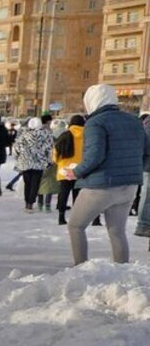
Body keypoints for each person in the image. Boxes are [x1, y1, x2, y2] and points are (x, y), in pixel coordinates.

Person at [64, 84, 150, 265]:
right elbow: (146, 152)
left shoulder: (96, 122)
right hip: (129, 187)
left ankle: (80, 268)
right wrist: (132, 170)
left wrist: (75, 172)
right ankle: (122, 270)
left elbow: (95, 155)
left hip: (101, 186)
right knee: (117, 231)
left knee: (76, 226)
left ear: (91, 100)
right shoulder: (134, 121)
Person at [12, 116, 55, 212]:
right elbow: (50, 149)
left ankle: (27, 202)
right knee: (35, 183)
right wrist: (48, 161)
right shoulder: (46, 135)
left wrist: (17, 158)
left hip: (25, 162)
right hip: (39, 163)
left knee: (27, 183)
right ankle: (31, 203)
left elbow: (16, 148)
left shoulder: (24, 135)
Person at [54, 114, 87, 226]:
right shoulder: (87, 135)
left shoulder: (65, 135)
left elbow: (55, 151)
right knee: (77, 194)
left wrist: (57, 161)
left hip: (65, 169)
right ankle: (76, 217)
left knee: (64, 192)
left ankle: (61, 216)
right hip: (80, 169)